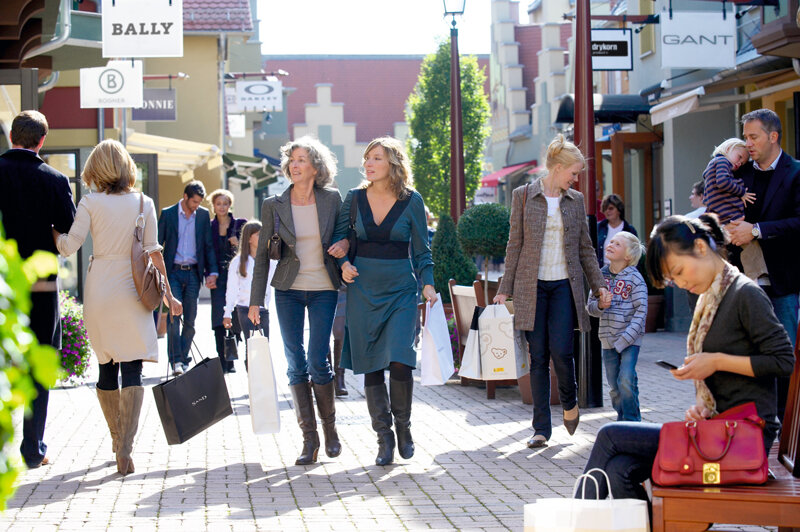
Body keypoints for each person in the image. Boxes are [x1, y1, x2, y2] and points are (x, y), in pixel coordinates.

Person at [578, 214, 794, 507]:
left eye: (679, 271)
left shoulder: (745, 294)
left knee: (610, 434)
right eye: (672, 278)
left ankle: (577, 515)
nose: (680, 283)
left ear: (702, 249)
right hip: (718, 428)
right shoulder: (711, 297)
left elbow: (784, 361)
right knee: (619, 469)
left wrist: (716, 361)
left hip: (743, 437)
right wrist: (703, 406)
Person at [54, 140, 182, 475]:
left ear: (95, 169)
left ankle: (114, 439)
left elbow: (68, 247)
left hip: (100, 290)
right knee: (133, 368)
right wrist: (169, 296)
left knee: (106, 366)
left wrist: (53, 233)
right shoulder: (144, 201)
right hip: (135, 290)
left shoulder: (90, 202)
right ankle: (126, 447)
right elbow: (154, 253)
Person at [494, 134, 608, 449]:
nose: (576, 178)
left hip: (563, 286)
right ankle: (541, 428)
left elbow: (586, 248)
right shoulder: (522, 196)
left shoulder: (576, 201)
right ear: (557, 168)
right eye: (573, 172)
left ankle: (570, 402)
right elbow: (514, 244)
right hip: (532, 287)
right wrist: (505, 288)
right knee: (538, 356)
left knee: (562, 351)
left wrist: (599, 285)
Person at [329, 136, 435, 467]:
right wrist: (343, 264)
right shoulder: (355, 198)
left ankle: (403, 428)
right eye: (367, 158)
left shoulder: (412, 200)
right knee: (371, 364)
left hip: (402, 291)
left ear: (393, 164)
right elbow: (338, 238)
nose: (369, 163)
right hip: (362, 291)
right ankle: (384, 437)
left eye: (376, 158)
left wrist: (428, 285)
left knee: (402, 359)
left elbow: (421, 251)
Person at [249, 136, 343, 466]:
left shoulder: (332, 199)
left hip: (323, 288)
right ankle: (310, 439)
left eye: (301, 159)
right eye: (292, 159)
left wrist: (343, 247)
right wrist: (254, 302)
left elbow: (345, 234)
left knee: (319, 358)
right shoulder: (274, 204)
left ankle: (330, 430)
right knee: (294, 359)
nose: (294, 164)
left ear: (316, 167)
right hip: (287, 289)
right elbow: (261, 257)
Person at [0, 111, 76, 469]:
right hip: (42, 287)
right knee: (39, 367)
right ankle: (33, 449)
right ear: (42, 141)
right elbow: (69, 231)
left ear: (11, 135)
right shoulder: (55, 179)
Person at [727, 108, 800, 422]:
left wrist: (756, 230)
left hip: (784, 281)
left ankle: (788, 423)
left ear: (773, 136)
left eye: (753, 137)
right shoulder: (739, 174)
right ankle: (757, 419)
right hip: (744, 282)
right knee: (747, 354)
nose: (748, 144)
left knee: (785, 354)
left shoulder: (797, 173)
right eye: (745, 137)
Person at [158, 181, 219, 376]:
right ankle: (176, 361)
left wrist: (213, 272)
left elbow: (208, 245)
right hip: (173, 272)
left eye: (199, 202)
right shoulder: (168, 214)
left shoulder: (202, 215)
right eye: (194, 202)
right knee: (175, 316)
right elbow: (158, 243)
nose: (196, 206)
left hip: (193, 272)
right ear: (185, 197)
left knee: (191, 319)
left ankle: (183, 359)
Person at [587, 231, 647, 422]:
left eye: (617, 244)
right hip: (608, 340)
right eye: (610, 241)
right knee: (614, 386)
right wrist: (600, 305)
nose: (611, 245)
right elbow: (590, 307)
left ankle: (632, 422)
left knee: (626, 380)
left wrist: (626, 339)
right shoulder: (599, 277)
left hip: (630, 340)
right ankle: (622, 420)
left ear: (628, 256)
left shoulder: (635, 279)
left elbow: (641, 311)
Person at [702, 138, 766, 281]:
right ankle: (758, 274)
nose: (739, 163)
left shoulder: (712, 166)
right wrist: (741, 192)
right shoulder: (722, 161)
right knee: (750, 245)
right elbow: (723, 181)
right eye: (739, 157)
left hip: (720, 216)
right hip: (729, 215)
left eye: (742, 163)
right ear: (729, 147)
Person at [223, 220, 275, 366]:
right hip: (244, 309)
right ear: (249, 238)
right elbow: (231, 289)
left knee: (264, 346)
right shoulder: (238, 262)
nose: (263, 237)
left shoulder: (269, 260)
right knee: (250, 345)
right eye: (259, 235)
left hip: (263, 309)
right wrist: (227, 313)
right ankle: (253, 380)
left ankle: (262, 381)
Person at [208, 189, 246, 373]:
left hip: (237, 277)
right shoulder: (209, 227)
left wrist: (237, 243)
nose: (222, 207)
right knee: (218, 320)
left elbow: (250, 248)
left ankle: (231, 357)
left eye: (225, 203)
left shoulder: (240, 224)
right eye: (218, 204)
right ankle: (223, 362)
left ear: (230, 205)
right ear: (213, 206)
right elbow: (205, 253)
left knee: (236, 317)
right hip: (218, 278)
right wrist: (209, 274)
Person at [596, 193, 638, 267]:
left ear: (619, 210)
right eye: (605, 209)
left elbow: (635, 254)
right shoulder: (598, 228)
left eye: (611, 208)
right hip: (602, 273)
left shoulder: (629, 230)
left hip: (624, 273)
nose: (607, 211)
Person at [329, 285, 349, 396]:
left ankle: (339, 376)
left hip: (343, 284)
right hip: (322, 284)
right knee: (323, 333)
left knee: (340, 331)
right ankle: (326, 377)